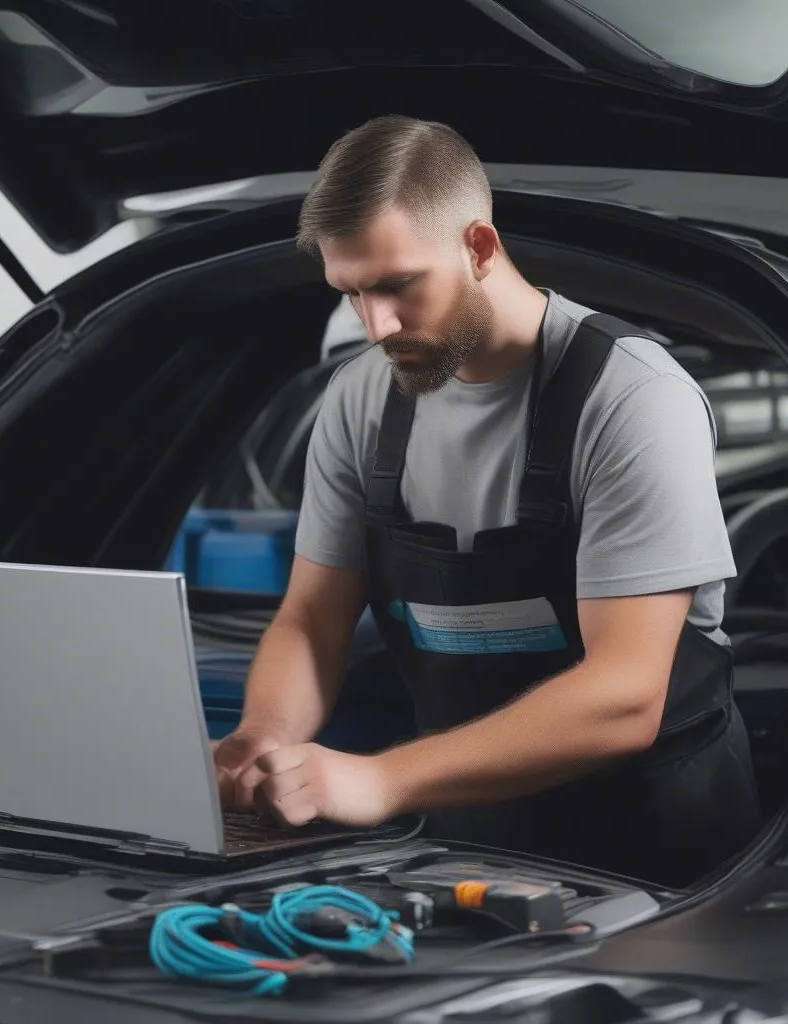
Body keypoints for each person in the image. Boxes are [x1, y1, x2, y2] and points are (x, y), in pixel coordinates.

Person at [212, 114, 763, 886]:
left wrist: (382, 780)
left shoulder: (635, 398)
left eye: (398, 285)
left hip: (663, 852)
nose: (377, 326)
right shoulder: (359, 400)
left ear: (478, 247)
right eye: (352, 293)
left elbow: (626, 694)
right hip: (464, 835)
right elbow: (312, 618)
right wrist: (265, 734)